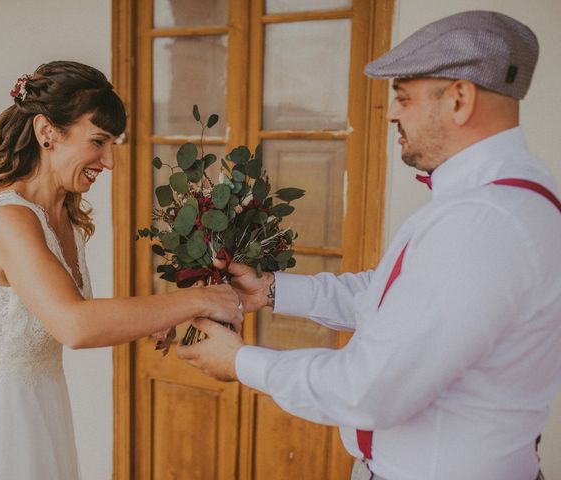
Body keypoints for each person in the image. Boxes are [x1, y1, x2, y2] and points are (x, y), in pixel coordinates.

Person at [177, 11, 560, 480]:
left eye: (403, 97)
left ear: (460, 99)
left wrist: (239, 361)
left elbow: (370, 388)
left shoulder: (484, 222)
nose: (392, 112)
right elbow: (390, 298)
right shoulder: (500, 200)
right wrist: (274, 290)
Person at [0, 61, 243, 480]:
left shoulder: (65, 217)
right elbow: (75, 325)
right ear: (46, 132)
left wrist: (167, 315)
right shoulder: (10, 219)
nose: (109, 161)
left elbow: (63, 312)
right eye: (98, 141)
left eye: (113, 144)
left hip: (42, 405)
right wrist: (197, 298)